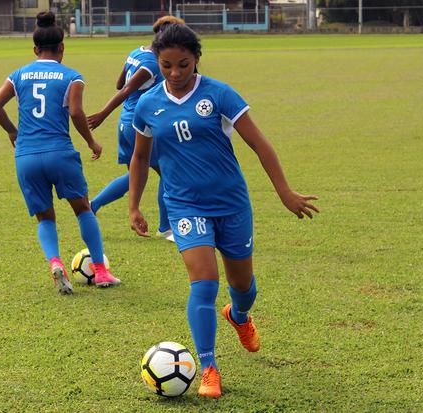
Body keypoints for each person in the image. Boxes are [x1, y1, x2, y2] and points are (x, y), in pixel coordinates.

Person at [128, 24, 319, 398]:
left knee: (243, 289)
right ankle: (209, 368)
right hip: (184, 205)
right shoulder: (149, 103)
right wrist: (134, 204)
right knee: (203, 282)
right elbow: (139, 156)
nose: (175, 73)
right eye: (166, 66)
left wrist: (284, 191)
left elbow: (259, 143)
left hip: (230, 204)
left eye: (183, 64)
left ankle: (240, 315)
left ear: (196, 59)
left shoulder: (218, 95)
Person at [0, 11, 121, 294]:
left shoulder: (18, 75)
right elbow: (75, 111)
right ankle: (100, 271)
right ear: (62, 47)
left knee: (45, 217)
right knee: (83, 208)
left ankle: (55, 262)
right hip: (59, 152)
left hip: (26, 156)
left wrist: (13, 132)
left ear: (35, 49)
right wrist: (91, 142)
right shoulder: (72, 76)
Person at [86, 16, 185, 242]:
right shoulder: (151, 63)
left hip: (126, 123)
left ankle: (94, 204)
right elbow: (125, 90)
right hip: (141, 125)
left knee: (135, 174)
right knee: (167, 172)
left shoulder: (137, 52)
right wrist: (102, 114)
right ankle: (166, 228)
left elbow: (120, 82)